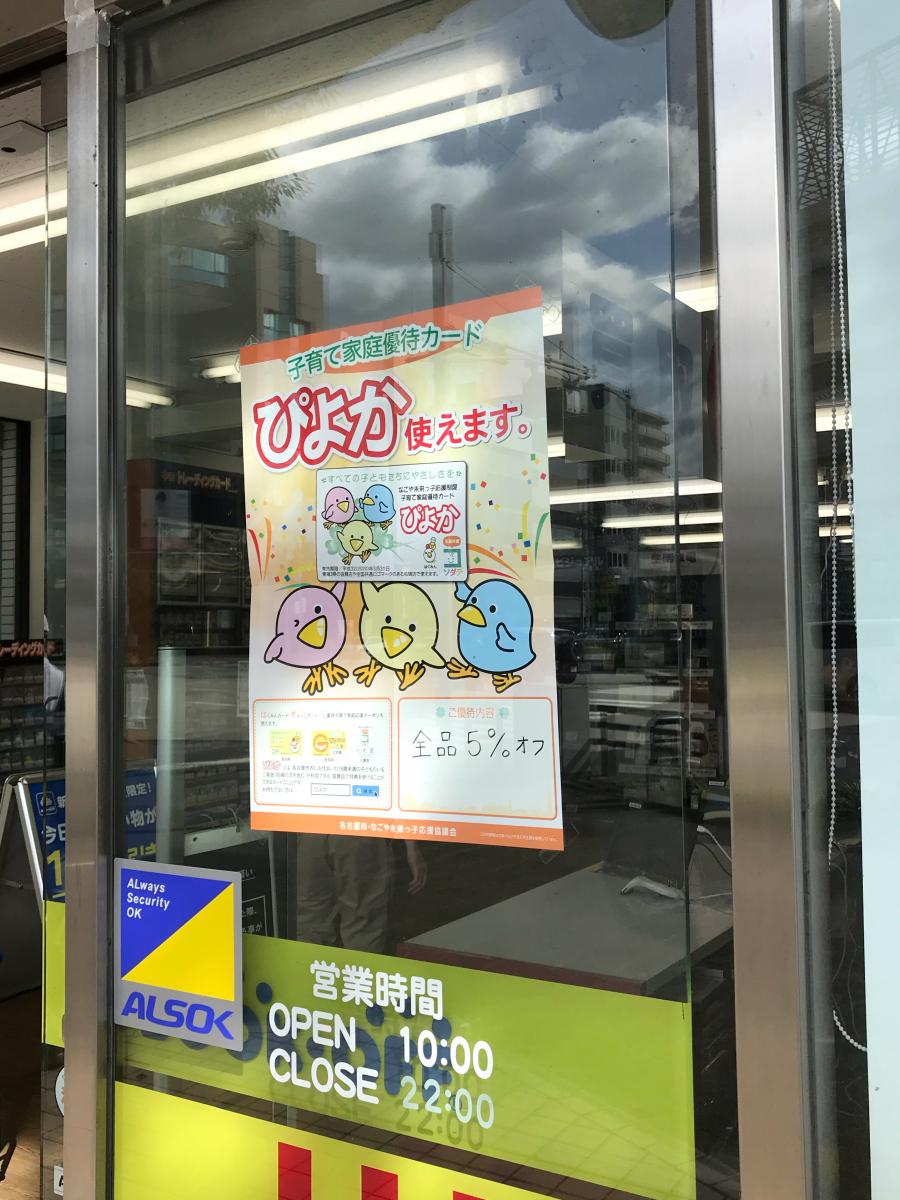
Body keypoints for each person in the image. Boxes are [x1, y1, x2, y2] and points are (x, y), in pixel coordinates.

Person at [296, 835, 426, 954]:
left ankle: (306, 968)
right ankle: (360, 969)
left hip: (309, 831)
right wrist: (412, 846)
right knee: (362, 923)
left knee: (311, 919)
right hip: (358, 833)